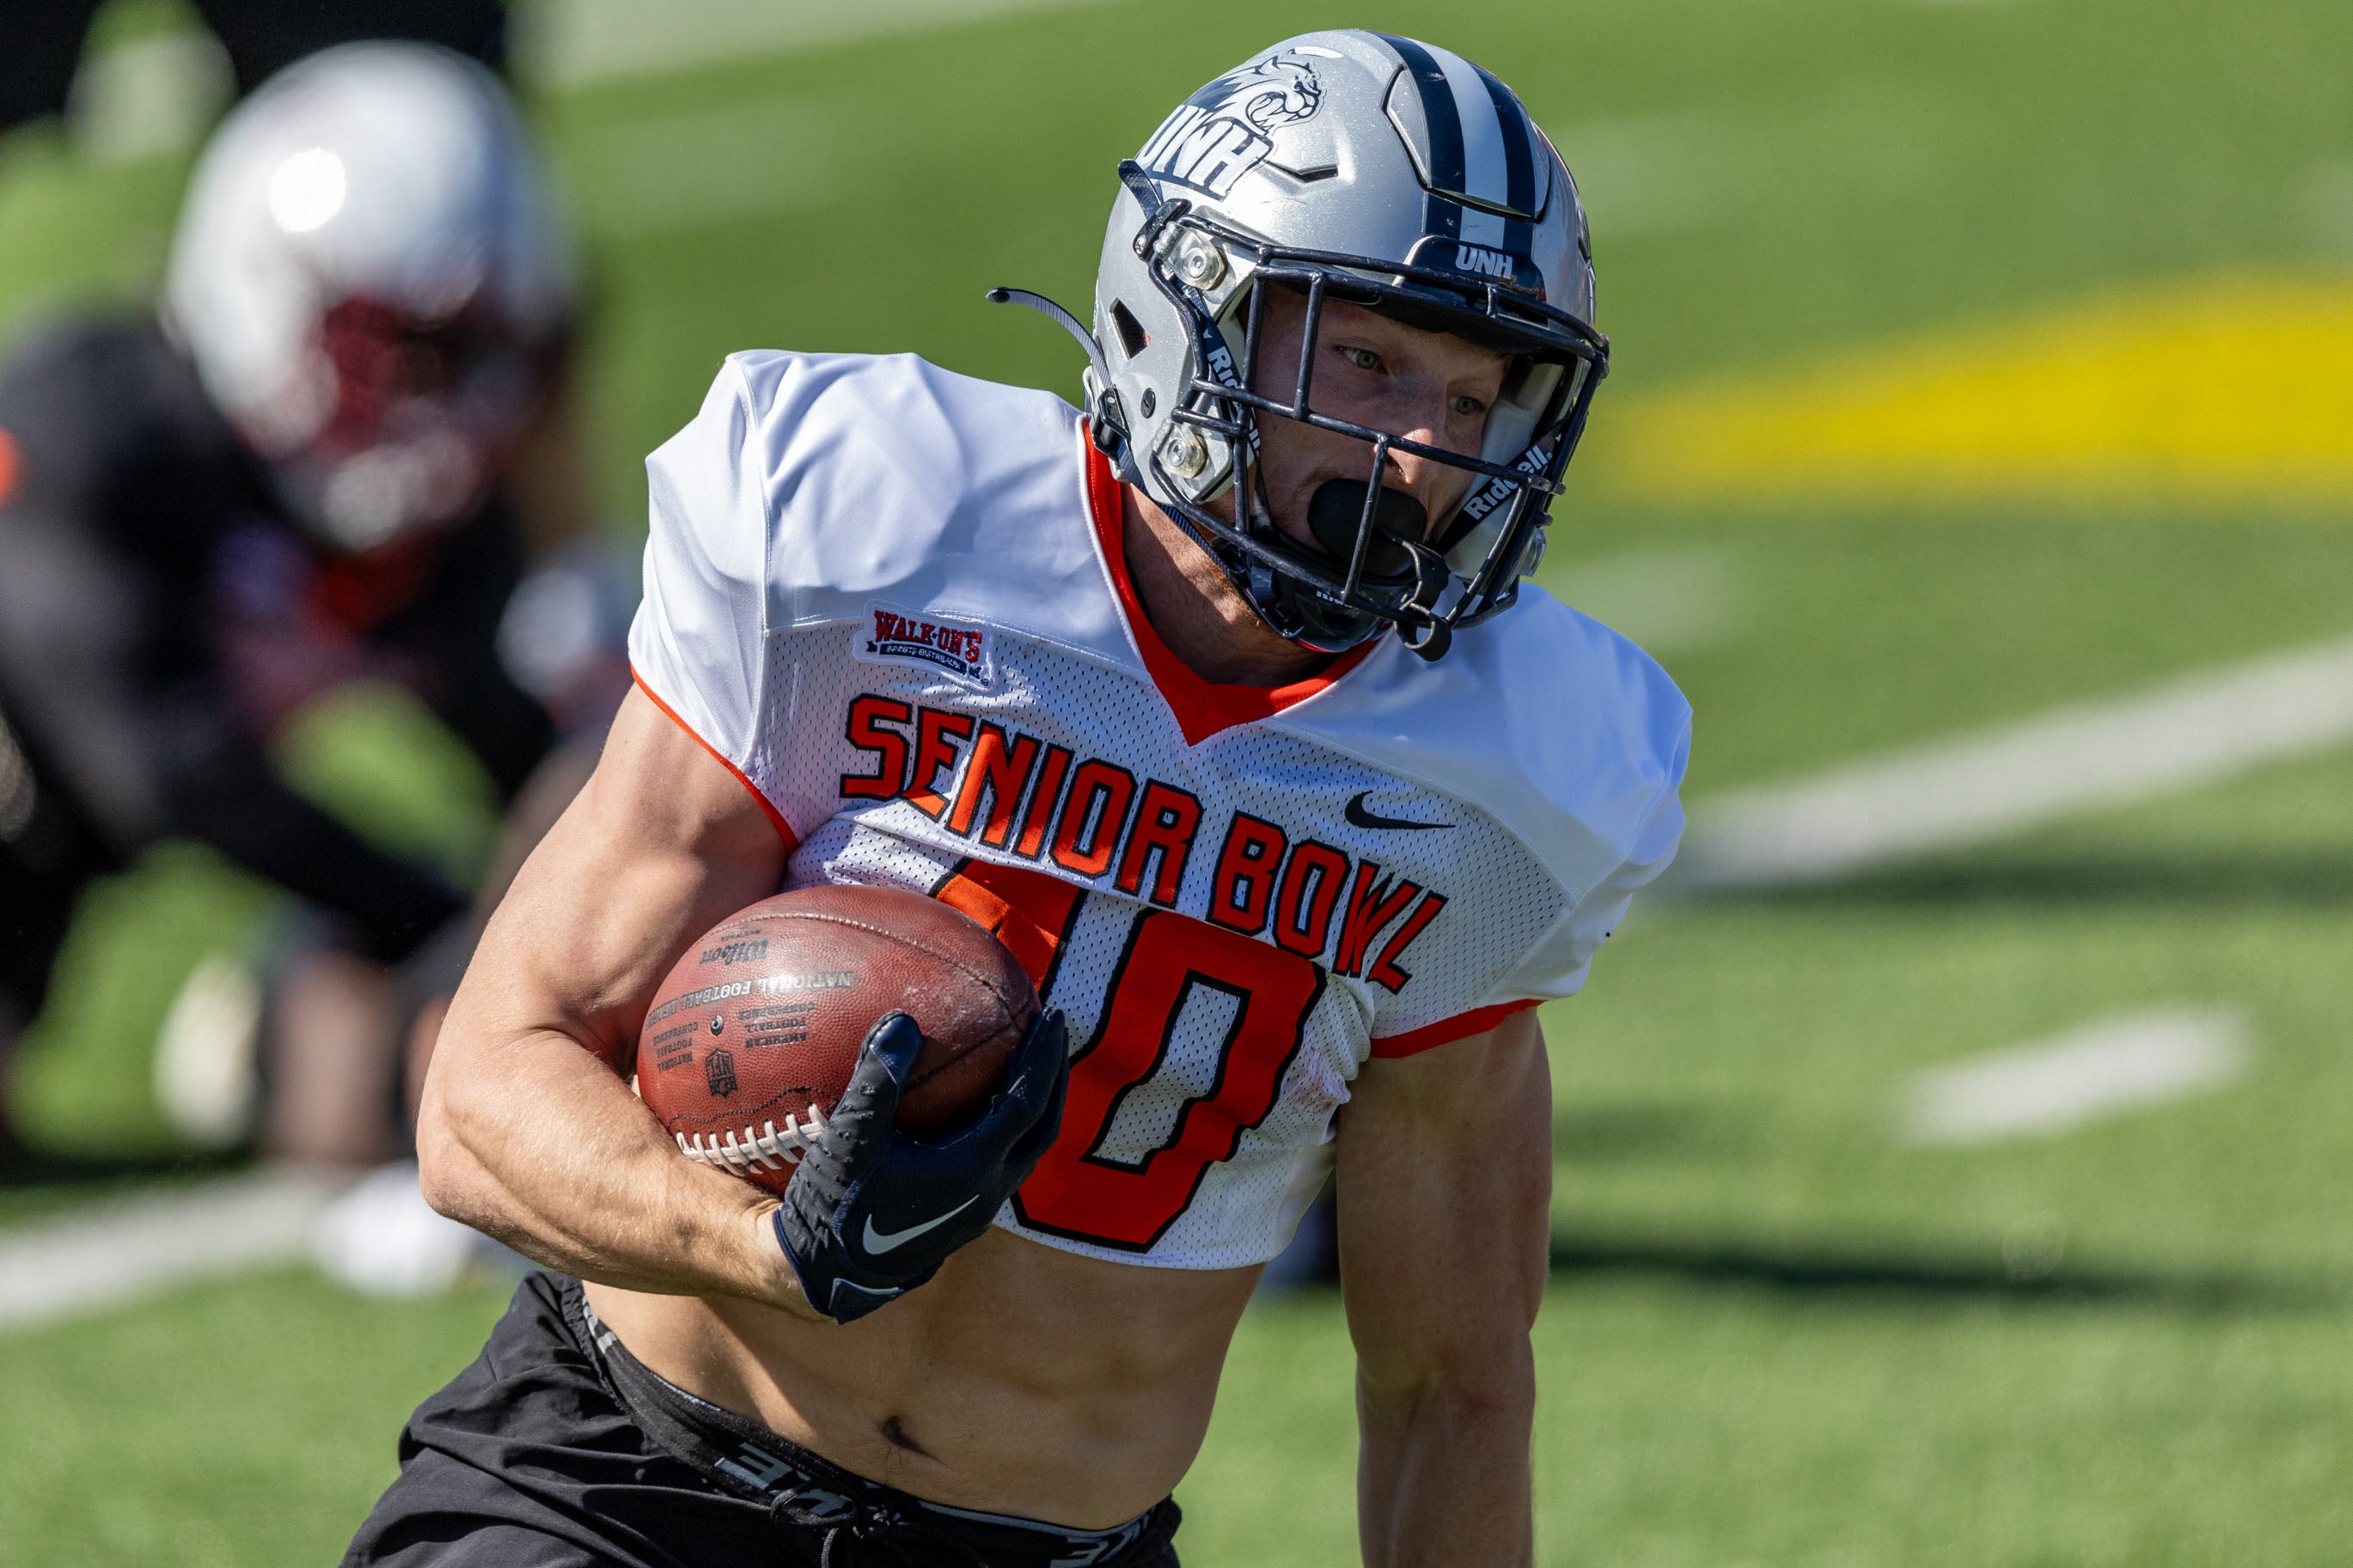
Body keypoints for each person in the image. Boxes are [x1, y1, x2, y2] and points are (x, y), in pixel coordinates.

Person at [364, 29, 1689, 1566]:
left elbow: (1448, 1384)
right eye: (1369, 361)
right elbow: (477, 1099)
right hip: (618, 1476)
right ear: (1184, 309)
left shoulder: (1509, 783)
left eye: (1476, 404)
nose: (1418, 459)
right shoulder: (866, 535)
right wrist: (760, 1245)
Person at [0, 41, 602, 1169]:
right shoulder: (90, 429)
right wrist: (428, 917)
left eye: (485, 356)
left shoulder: (431, 519)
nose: (453, 410)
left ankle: (265, 1033)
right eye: (408, 354)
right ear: (270, 290)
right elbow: (168, 766)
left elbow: (512, 741)